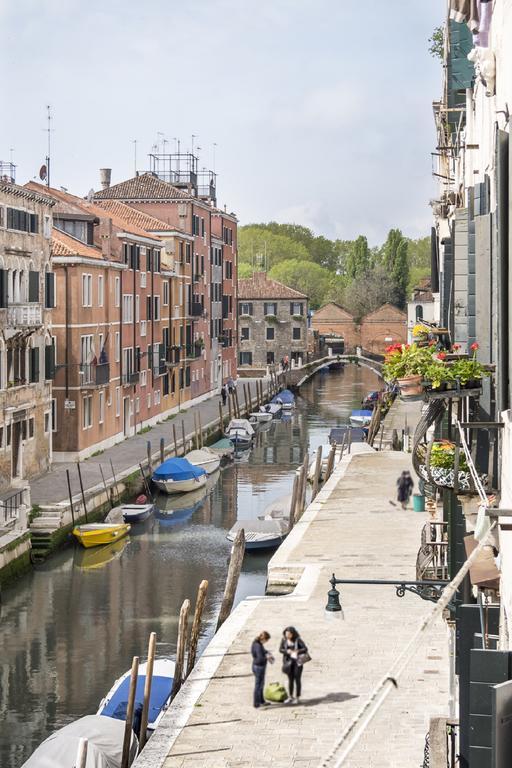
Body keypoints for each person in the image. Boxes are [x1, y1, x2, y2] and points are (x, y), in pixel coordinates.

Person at [279, 626, 308, 704]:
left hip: (297, 663)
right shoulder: (284, 640)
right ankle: (290, 696)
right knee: (290, 680)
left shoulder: (298, 640)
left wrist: (297, 651)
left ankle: (297, 697)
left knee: (297, 679)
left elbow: (305, 649)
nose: (287, 636)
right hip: (288, 663)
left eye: (289, 634)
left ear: (293, 634)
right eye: (286, 634)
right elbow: (280, 649)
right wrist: (286, 651)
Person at [251, 630, 273, 708]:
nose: (266, 642)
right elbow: (260, 658)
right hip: (259, 667)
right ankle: (256, 703)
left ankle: (261, 701)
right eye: (266, 640)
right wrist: (267, 657)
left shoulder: (257, 643)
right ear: (264, 639)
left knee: (261, 684)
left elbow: (261, 652)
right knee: (258, 685)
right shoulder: (258, 645)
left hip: (257, 666)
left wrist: (266, 652)